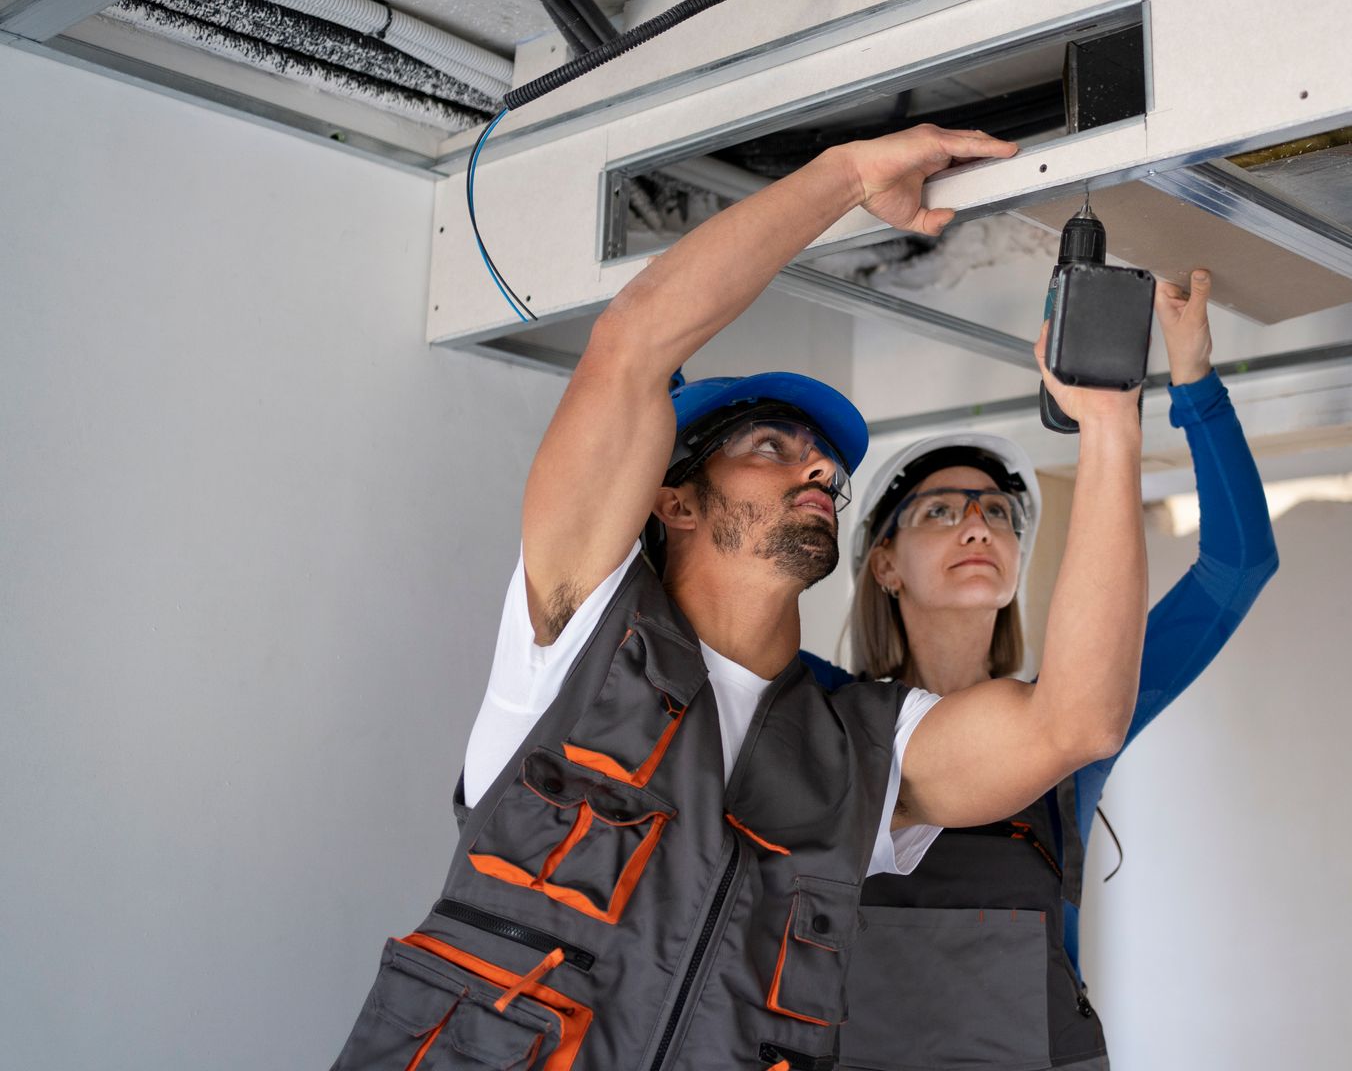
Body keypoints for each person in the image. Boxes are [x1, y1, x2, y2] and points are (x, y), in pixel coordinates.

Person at [328, 125, 1151, 1071]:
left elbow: (1075, 724)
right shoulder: (573, 638)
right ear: (673, 500)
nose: (814, 466)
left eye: (824, 464)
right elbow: (634, 343)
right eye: (770, 446)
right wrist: (844, 177)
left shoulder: (863, 749)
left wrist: (1109, 429)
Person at [805, 268, 1279, 1070]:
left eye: (997, 511)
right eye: (940, 510)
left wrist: (1192, 372)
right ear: (884, 565)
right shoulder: (815, 714)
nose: (978, 525)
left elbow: (1237, 565)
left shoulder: (1075, 722)